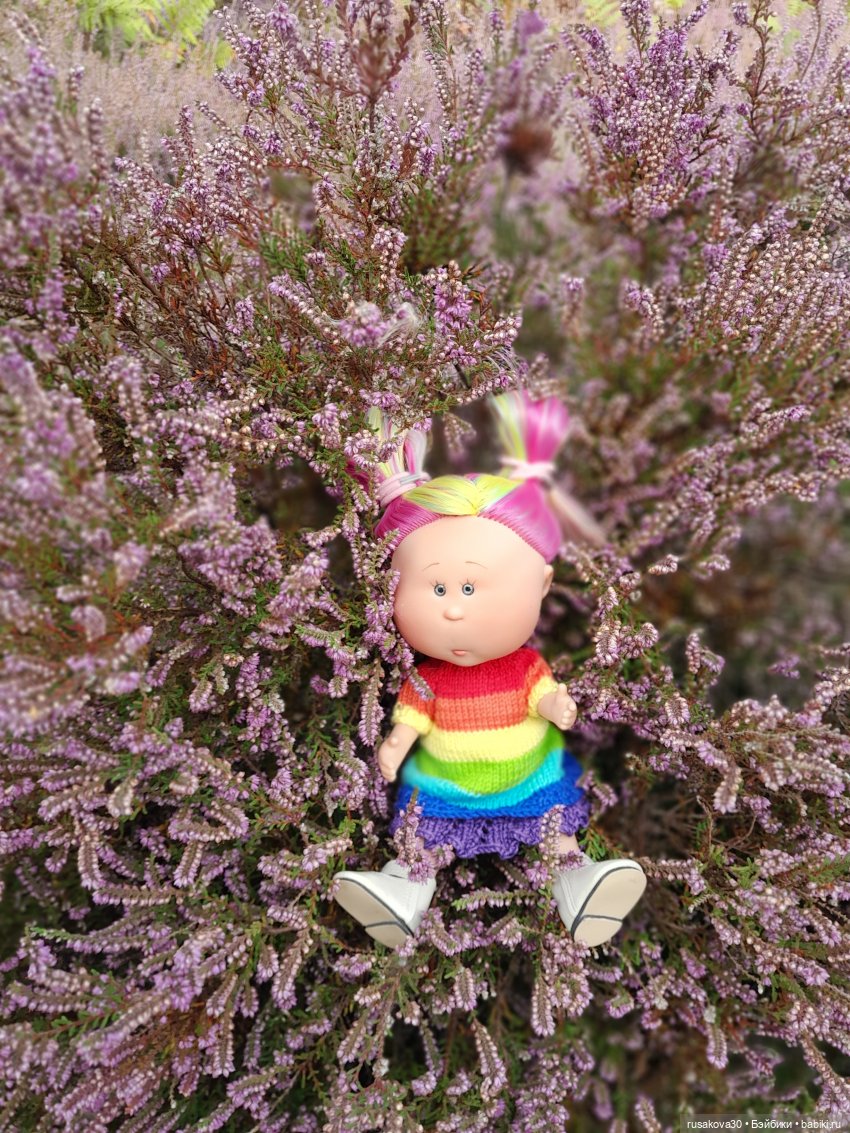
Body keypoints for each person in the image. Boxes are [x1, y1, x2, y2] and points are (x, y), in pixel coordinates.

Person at [332, 391, 646, 948]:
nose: (454, 609)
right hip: (445, 788)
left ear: (543, 586)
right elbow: (413, 715)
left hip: (528, 781)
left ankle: (578, 884)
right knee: (419, 841)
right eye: (436, 589)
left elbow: (540, 693)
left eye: (472, 588)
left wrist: (556, 704)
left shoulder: (525, 666)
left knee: (557, 833)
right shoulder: (427, 678)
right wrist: (396, 743)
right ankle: (403, 890)